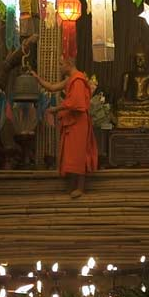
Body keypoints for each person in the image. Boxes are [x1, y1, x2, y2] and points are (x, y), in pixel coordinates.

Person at [32, 57, 98, 198]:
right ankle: (72, 184)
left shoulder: (78, 79)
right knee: (70, 153)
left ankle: (80, 187)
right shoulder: (70, 79)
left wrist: (56, 109)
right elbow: (52, 87)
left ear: (69, 64)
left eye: (61, 64)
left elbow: (76, 102)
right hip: (72, 122)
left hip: (78, 122)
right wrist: (37, 78)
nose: (60, 67)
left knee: (79, 154)